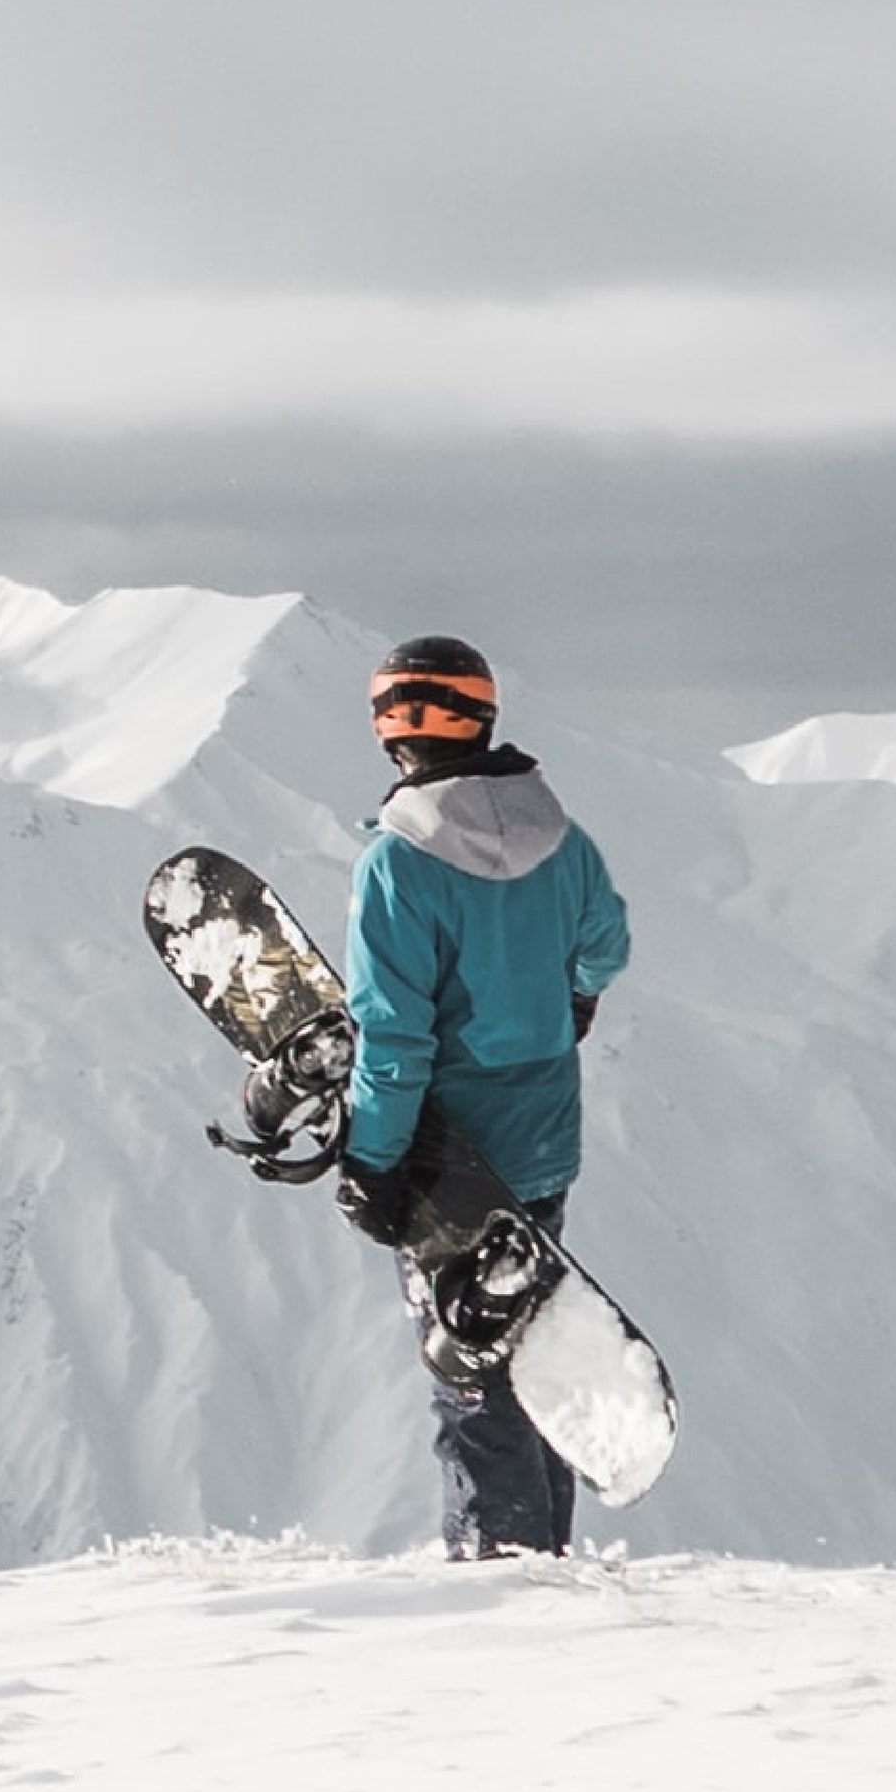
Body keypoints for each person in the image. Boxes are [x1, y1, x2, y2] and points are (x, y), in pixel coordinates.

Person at [334, 635, 630, 1560]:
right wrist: (570, 995)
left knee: (469, 1372)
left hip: (446, 1158)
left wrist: (373, 1160)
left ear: (390, 730)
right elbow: (607, 948)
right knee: (531, 1349)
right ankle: (542, 1565)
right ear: (486, 713)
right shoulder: (564, 842)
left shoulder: (397, 866)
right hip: (543, 1136)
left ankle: (500, 1584)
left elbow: (393, 1038)